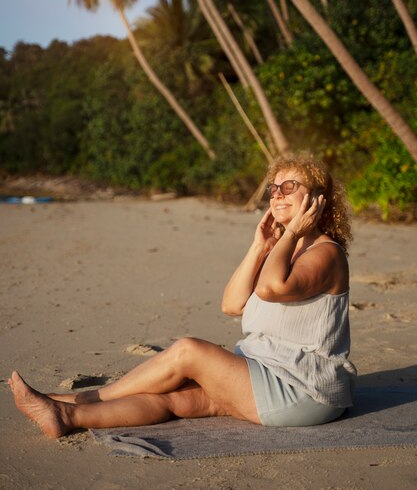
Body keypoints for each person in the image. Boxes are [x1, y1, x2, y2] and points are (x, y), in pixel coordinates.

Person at [8, 154, 356, 438]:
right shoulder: (280, 251)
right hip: (263, 373)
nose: (277, 193)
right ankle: (68, 416)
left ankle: (77, 398)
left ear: (318, 200)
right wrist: (259, 245)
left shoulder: (326, 253)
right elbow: (231, 304)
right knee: (172, 399)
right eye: (273, 187)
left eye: (289, 186)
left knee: (188, 351)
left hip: (303, 389)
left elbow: (270, 289)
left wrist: (292, 232)